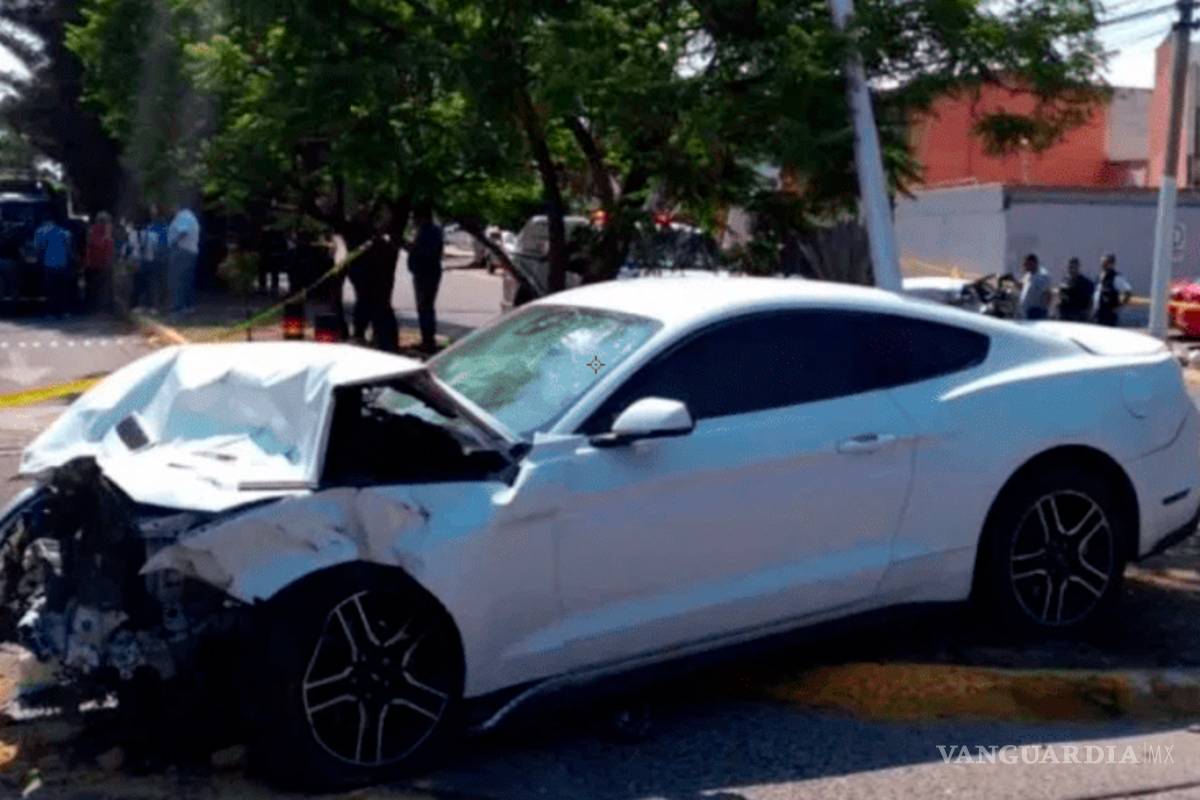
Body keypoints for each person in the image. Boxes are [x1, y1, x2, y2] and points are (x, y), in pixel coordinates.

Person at [408, 205, 444, 352]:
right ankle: (427, 340)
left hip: (426, 273)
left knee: (425, 308)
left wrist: (409, 247)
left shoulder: (429, 231)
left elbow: (425, 253)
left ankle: (428, 342)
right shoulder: (429, 230)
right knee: (425, 308)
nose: (413, 221)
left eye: (415, 217)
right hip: (426, 272)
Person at [34, 214, 74, 316]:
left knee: (50, 289)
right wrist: (71, 260)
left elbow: (39, 249)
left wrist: (39, 260)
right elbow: (69, 249)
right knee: (63, 288)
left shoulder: (42, 233)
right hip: (62, 263)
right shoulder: (65, 233)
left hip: (49, 263)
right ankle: (64, 311)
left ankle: (52, 311)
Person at [167, 205, 201, 314]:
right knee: (187, 279)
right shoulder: (191, 217)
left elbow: (183, 231)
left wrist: (174, 242)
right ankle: (188, 305)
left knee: (178, 279)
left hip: (182, 250)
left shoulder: (183, 217)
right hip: (190, 251)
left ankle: (178, 306)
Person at [84, 211, 116, 311]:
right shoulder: (97, 230)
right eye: (108, 221)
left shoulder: (94, 230)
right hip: (99, 263)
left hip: (98, 263)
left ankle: (100, 307)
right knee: (99, 286)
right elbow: (100, 245)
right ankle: (98, 307)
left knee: (99, 286)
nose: (110, 223)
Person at [1094, 253, 1132, 327]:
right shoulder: (1099, 276)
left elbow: (1128, 291)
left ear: (1112, 264)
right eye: (1102, 262)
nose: (1103, 264)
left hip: (1109, 315)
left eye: (1105, 262)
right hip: (1098, 314)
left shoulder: (1116, 277)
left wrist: (1119, 306)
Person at [1057, 257, 1094, 322]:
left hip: (1079, 315)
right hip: (1065, 314)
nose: (1072, 269)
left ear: (1078, 268)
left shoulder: (1085, 282)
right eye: (1070, 267)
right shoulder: (1065, 280)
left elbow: (1090, 300)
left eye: (1074, 267)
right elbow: (1060, 296)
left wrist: (1088, 314)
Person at [1018, 253, 1051, 320]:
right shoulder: (1028, 275)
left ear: (1033, 263)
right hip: (1026, 310)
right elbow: (1022, 287)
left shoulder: (1042, 275)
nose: (1025, 266)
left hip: (1037, 310)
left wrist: (1043, 309)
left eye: (1027, 264)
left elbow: (1047, 293)